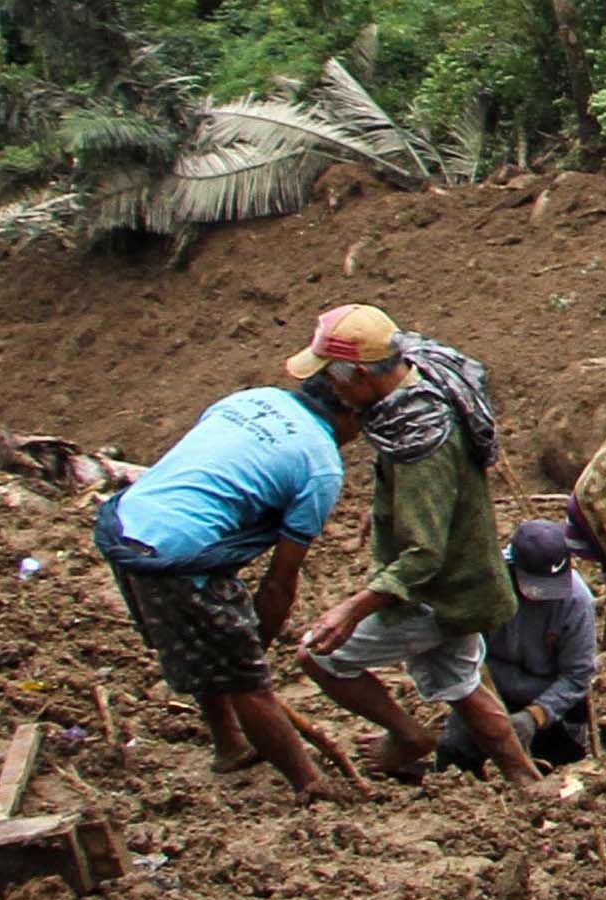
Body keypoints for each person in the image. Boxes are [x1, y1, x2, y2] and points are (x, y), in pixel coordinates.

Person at [94, 331, 392, 797]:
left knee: (209, 649)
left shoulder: (254, 399)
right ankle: (309, 783)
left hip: (128, 524)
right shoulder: (320, 465)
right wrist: (255, 652)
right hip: (177, 551)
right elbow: (279, 582)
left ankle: (229, 743)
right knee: (245, 677)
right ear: (350, 414)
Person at [294, 316, 535, 787]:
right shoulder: (423, 378)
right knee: (462, 685)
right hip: (466, 580)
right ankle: (525, 778)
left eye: (332, 376)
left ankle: (406, 736)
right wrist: (387, 504)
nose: (331, 389)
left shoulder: (422, 437)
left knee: (317, 655)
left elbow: (424, 554)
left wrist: (352, 608)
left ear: (361, 374)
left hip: (434, 593)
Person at [436, 516, 603, 770]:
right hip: (487, 691)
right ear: (513, 568)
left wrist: (535, 715)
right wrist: (487, 708)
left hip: (549, 699)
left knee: (560, 771)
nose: (545, 597)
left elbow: (577, 675)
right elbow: (461, 650)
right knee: (454, 758)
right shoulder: (484, 584)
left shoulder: (576, 602)